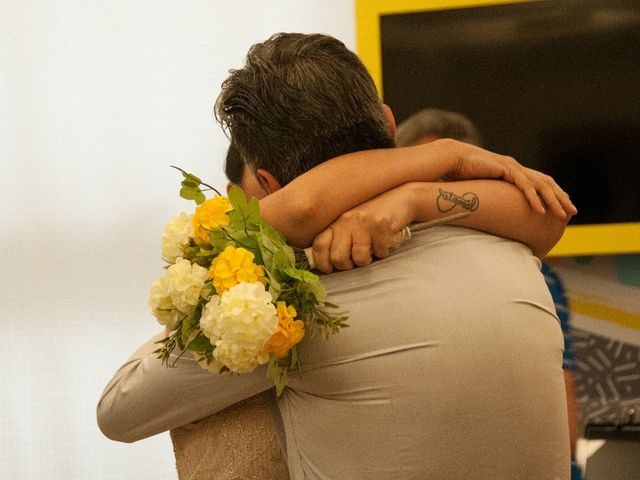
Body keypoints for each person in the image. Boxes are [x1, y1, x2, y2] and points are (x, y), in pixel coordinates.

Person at [98, 33, 575, 479]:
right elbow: (551, 217)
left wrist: (208, 289)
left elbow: (118, 411)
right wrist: (436, 168)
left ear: (265, 184)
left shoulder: (287, 311)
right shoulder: (513, 251)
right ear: (390, 124)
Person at [396, 108, 583, 479]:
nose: (439, 196)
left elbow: (562, 408)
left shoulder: (535, 271)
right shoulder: (382, 264)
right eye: (428, 178)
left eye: (451, 181)